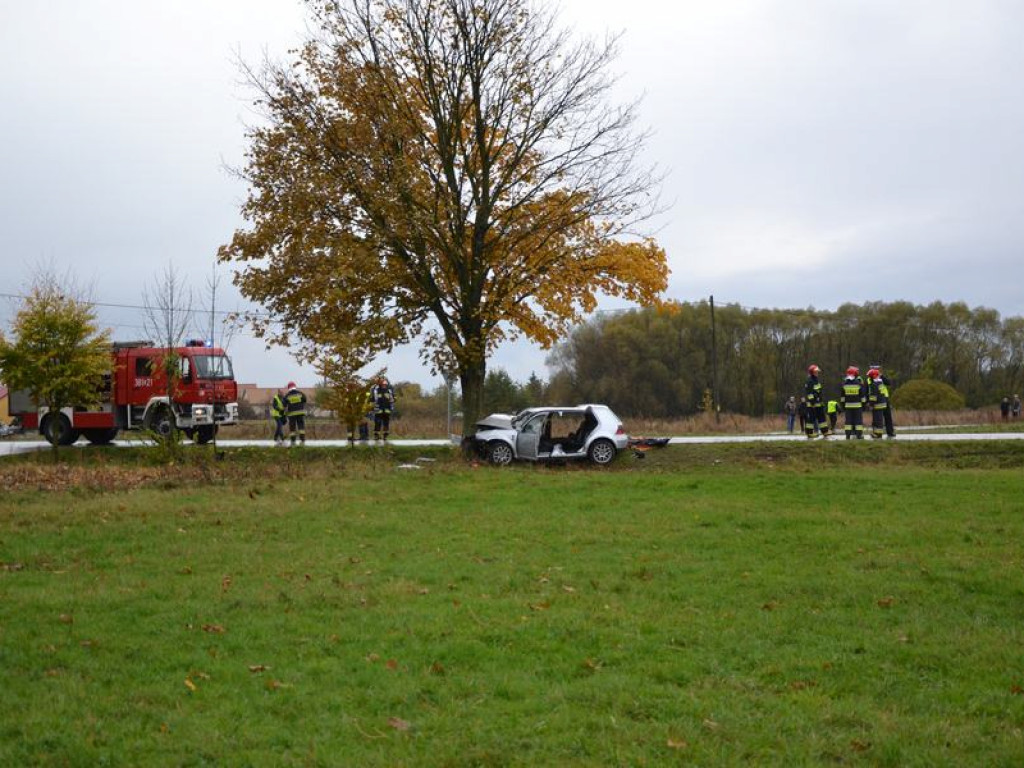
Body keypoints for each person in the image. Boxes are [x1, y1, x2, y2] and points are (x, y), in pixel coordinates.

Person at [870, 363, 896, 437]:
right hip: (877, 400)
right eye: (875, 369)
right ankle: (876, 433)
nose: (877, 370)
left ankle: (890, 432)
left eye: (877, 369)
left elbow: (889, 383)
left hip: (885, 399)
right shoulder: (870, 379)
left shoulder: (881, 378)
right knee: (877, 418)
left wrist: (881, 375)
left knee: (888, 416)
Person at [804, 364, 830, 438]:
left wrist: (821, 401)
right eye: (816, 371)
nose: (817, 373)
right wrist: (812, 403)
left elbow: (819, 391)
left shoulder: (816, 380)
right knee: (811, 419)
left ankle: (825, 431)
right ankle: (809, 433)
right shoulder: (809, 381)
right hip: (812, 404)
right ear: (812, 372)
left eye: (817, 371)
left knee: (822, 418)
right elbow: (809, 393)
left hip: (819, 403)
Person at [841, 366, 866, 439]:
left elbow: (842, 398)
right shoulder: (858, 383)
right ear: (854, 374)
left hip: (848, 406)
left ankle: (848, 435)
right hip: (857, 406)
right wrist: (863, 406)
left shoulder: (844, 384)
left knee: (848, 422)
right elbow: (862, 397)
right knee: (858, 421)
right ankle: (859, 435)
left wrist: (843, 406)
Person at [370, 375, 396, 441]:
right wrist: (372, 408)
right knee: (377, 423)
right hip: (378, 410)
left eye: (385, 384)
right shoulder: (376, 390)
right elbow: (372, 399)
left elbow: (392, 400)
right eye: (383, 384)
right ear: (380, 384)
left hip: (387, 411)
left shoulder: (389, 391)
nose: (384, 385)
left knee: (386, 424)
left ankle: (385, 436)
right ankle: (376, 436)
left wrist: (392, 407)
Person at [866, 368, 889, 438]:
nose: (869, 378)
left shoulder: (874, 384)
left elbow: (873, 397)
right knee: (878, 420)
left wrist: (871, 405)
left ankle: (878, 435)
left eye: (870, 376)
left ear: (873, 376)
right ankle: (876, 433)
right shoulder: (880, 383)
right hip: (881, 404)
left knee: (877, 420)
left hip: (877, 405)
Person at [284, 381, 307, 446]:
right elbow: (305, 400)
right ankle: (302, 439)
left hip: (292, 414)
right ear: (295, 387)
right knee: (301, 426)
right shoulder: (300, 393)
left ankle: (293, 440)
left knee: (292, 428)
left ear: (289, 388)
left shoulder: (287, 395)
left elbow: (284, 404)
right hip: (300, 413)